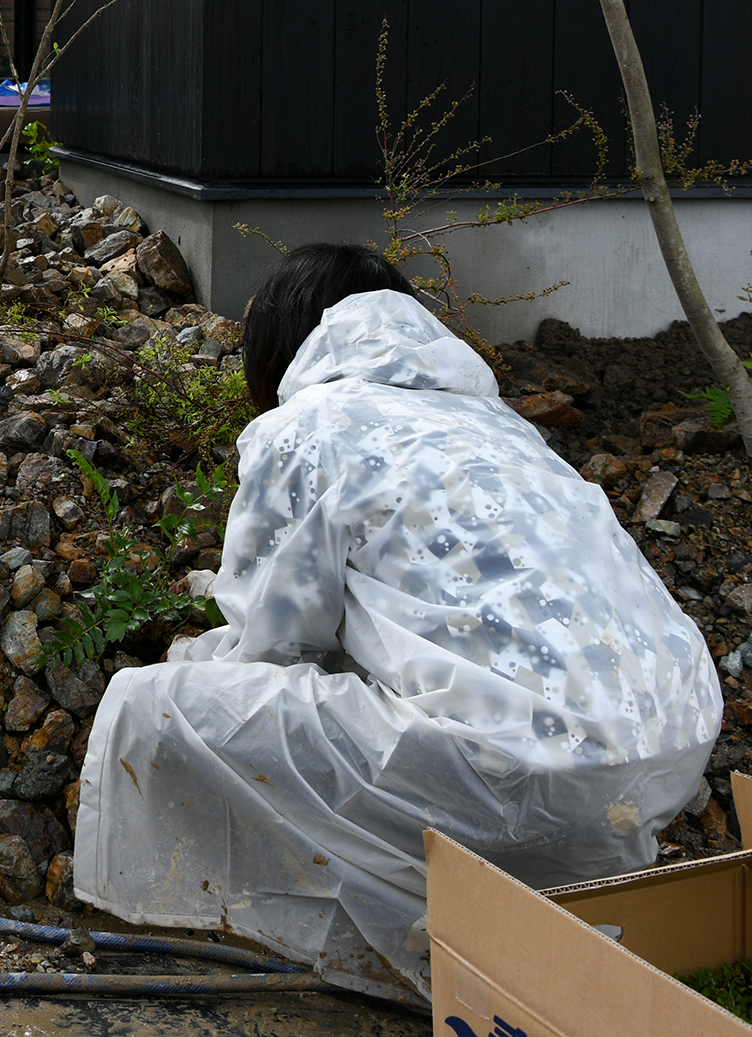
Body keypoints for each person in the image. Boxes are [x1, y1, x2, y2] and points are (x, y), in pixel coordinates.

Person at [75, 244, 721, 1004]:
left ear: (284, 338)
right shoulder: (498, 424)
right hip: (665, 753)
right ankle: (543, 916)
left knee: (149, 706)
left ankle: (390, 939)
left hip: (520, 771)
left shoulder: (310, 426)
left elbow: (274, 645)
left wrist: (189, 656)